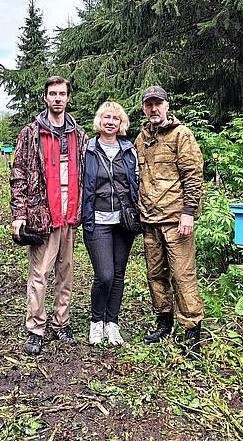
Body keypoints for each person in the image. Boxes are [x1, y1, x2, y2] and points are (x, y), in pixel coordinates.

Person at [10, 76, 88, 356]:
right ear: (45, 98)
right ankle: (36, 328)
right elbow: (18, 174)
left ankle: (61, 323)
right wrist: (19, 215)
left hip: (70, 214)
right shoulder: (30, 133)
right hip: (42, 214)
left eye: (62, 94)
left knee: (65, 273)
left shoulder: (78, 135)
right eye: (53, 93)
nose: (57, 98)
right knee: (40, 274)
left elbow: (86, 176)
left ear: (68, 98)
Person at [135, 86, 205, 353]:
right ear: (144, 108)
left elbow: (193, 175)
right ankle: (163, 322)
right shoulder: (141, 139)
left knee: (183, 275)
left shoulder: (181, 135)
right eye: (149, 104)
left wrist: (188, 212)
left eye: (158, 104)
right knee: (155, 274)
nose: (154, 109)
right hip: (149, 219)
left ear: (167, 105)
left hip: (177, 221)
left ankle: (191, 331)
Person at [82, 101, 139, 345]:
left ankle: (112, 323)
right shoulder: (88, 150)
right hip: (97, 219)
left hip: (124, 221)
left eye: (115, 118)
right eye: (106, 117)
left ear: (121, 123)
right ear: (99, 121)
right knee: (104, 275)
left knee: (118, 275)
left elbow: (137, 181)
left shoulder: (129, 150)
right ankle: (96, 321)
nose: (110, 122)